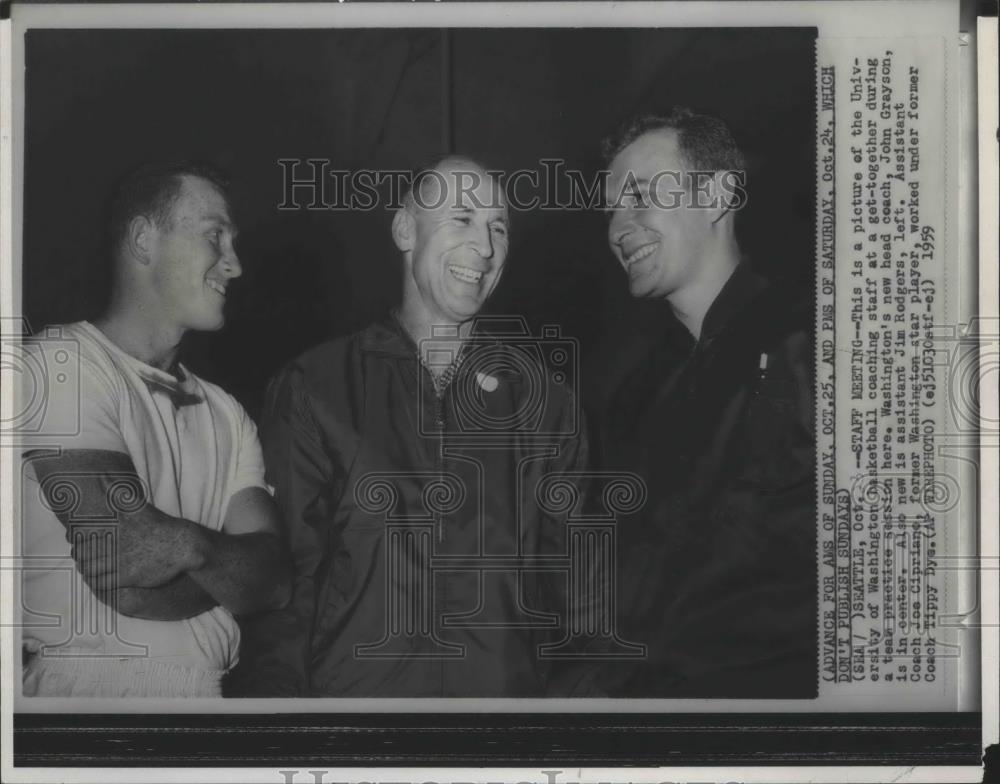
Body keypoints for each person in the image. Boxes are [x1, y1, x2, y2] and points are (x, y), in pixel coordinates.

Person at [232, 157, 587, 697]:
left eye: (499, 228)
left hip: (500, 735)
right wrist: (281, 721)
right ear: (404, 228)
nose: (486, 247)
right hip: (358, 731)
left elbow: (579, 593)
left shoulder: (547, 405)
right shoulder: (315, 386)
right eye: (462, 218)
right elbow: (287, 584)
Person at [20, 162, 292, 698]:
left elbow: (276, 581)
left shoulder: (226, 411)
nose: (234, 265)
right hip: (83, 695)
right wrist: (227, 563)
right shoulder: (57, 362)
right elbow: (125, 570)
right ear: (145, 240)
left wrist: (188, 544)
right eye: (216, 235)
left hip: (210, 699)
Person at [589, 108, 816, 697]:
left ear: (716, 196)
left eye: (641, 195)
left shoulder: (810, 344)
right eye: (612, 207)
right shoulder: (640, 393)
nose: (619, 225)